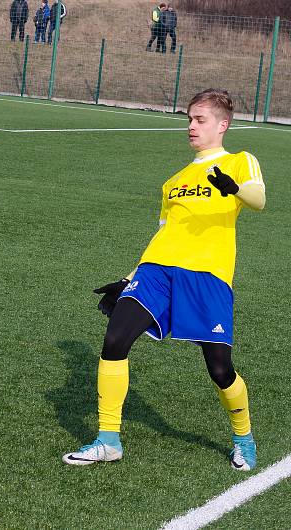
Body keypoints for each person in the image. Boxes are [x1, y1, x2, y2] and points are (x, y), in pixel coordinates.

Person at [62, 89, 266, 472]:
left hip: (207, 276)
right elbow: (163, 233)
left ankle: (244, 437)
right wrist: (129, 277)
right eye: (189, 119)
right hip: (156, 271)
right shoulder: (174, 181)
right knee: (115, 340)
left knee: (220, 369)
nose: (191, 126)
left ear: (222, 125)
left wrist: (233, 189)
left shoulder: (240, 162)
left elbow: (258, 199)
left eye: (200, 120)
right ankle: (108, 440)